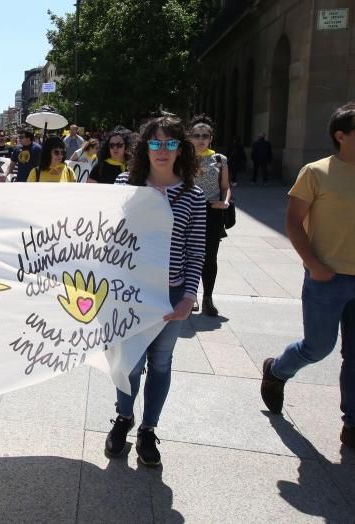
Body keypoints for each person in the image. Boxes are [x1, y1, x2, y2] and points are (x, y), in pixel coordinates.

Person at [260, 102, 355, 472]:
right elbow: (294, 221)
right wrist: (314, 265)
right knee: (317, 347)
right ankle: (277, 370)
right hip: (328, 279)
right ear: (341, 135)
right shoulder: (315, 172)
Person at [106, 114, 205, 467]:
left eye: (171, 143)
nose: (162, 151)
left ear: (181, 149)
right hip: (130, 293)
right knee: (128, 362)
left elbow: (196, 251)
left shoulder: (193, 195)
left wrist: (189, 297)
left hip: (172, 295)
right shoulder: (123, 187)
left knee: (160, 363)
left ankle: (148, 428)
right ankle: (123, 417)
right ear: (145, 147)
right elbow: (106, 237)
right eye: (155, 143)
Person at [187, 115, 232, 316]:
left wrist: (225, 202)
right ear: (190, 137)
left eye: (205, 135)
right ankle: (190, 296)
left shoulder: (220, 160)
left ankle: (208, 298)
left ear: (211, 138)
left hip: (212, 212)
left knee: (210, 257)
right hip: (188, 211)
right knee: (188, 255)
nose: (201, 139)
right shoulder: (183, 158)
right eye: (196, 135)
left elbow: (225, 186)